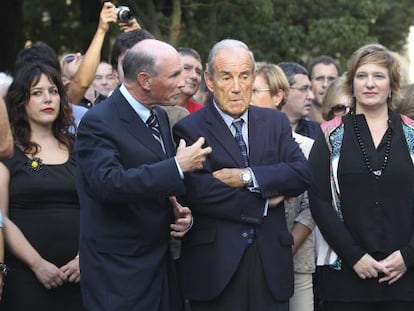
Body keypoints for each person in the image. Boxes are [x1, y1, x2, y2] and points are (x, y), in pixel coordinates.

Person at [173, 39, 311, 311]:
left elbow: (301, 174)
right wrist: (263, 201)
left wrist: (247, 177)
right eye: (226, 77)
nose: (237, 88)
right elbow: (201, 192)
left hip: (271, 263)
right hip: (216, 267)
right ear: (210, 81)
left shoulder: (275, 121)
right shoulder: (189, 128)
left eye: (244, 76)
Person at [76, 39, 212, 311]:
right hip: (119, 271)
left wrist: (179, 212)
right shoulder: (98, 121)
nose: (183, 81)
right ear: (145, 80)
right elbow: (109, 184)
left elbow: (152, 180)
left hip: (159, 263)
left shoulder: (159, 116)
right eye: (174, 74)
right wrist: (177, 166)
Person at [309, 43, 414, 311]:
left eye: (379, 76)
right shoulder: (329, 134)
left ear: (392, 83)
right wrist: (354, 256)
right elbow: (319, 200)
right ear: (351, 82)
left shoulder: (412, 133)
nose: (370, 84)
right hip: (346, 277)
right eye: (361, 75)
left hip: (405, 278)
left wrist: (408, 255)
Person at [0, 63, 82, 310]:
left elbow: (96, 208)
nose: (48, 98)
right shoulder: (8, 152)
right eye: (37, 92)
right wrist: (36, 264)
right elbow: (1, 217)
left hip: (79, 275)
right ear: (20, 101)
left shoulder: (80, 147)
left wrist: (83, 258)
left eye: (53, 91)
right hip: (26, 277)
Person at [251, 61, 315, 311]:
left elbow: (313, 205)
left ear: (278, 96)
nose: (246, 96)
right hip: (248, 257)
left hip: (295, 258)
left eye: (255, 91)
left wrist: (288, 247)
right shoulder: (237, 143)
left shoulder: (305, 146)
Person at [279, 62, 320, 139]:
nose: (311, 96)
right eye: (304, 89)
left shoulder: (317, 132)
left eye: (310, 89)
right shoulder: (263, 128)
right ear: (283, 92)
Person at [307, 55, 340, 123]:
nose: (325, 84)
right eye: (319, 78)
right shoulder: (295, 122)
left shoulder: (348, 123)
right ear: (309, 82)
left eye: (331, 79)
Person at [172, 47, 204, 113]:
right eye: (186, 68)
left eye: (198, 72)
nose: (194, 76)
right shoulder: (152, 107)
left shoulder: (202, 114)